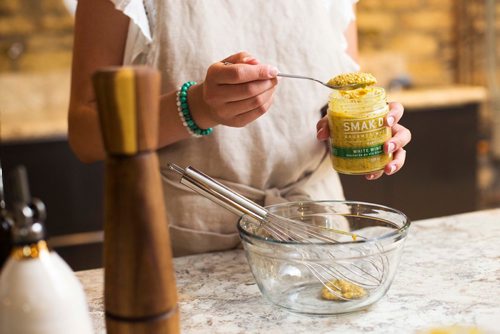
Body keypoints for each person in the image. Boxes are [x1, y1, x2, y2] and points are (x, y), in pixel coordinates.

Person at [69, 0, 411, 256]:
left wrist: (365, 130)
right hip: (185, 250)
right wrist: (196, 107)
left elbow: (335, 99)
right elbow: (85, 136)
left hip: (318, 238)